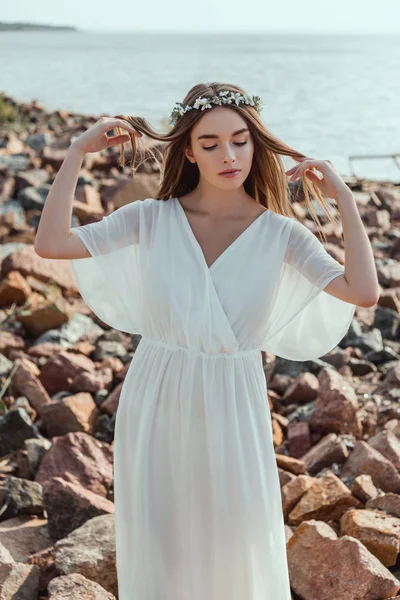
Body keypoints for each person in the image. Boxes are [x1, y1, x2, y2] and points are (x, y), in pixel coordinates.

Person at [34, 82, 379, 600]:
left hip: (232, 406)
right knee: (162, 548)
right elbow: (51, 243)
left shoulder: (280, 234)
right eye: (211, 143)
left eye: (240, 140)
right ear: (189, 151)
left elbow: (363, 291)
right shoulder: (152, 219)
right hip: (156, 399)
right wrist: (77, 152)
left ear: (255, 144)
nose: (229, 155)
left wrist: (346, 201)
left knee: (235, 545)